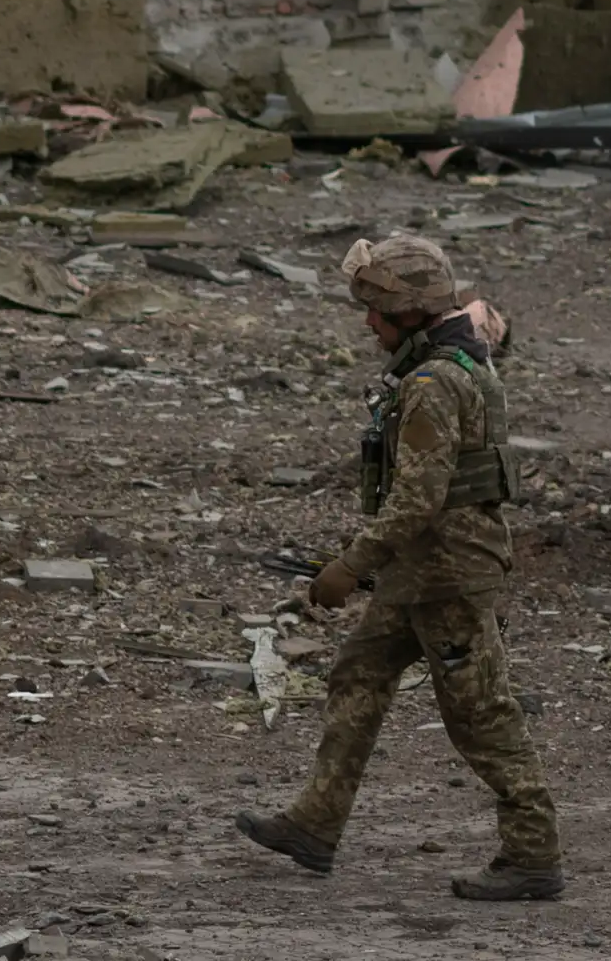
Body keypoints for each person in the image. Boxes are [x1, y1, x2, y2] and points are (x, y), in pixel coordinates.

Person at [235, 234, 563, 900]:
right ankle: (315, 823)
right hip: (421, 573)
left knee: (481, 717)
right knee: (358, 674)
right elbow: (482, 320)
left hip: (447, 577)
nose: (368, 324)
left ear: (410, 314)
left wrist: (348, 566)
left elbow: (418, 498)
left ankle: (533, 855)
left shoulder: (435, 384)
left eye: (376, 312)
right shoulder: (457, 351)